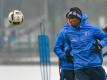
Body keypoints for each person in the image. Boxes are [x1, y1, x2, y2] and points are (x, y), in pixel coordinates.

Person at [54, 7, 107, 80]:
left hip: (94, 66)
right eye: (69, 19)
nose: (71, 21)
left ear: (79, 19)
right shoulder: (66, 32)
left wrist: (100, 45)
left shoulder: (92, 29)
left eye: (73, 20)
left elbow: (105, 37)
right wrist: (66, 53)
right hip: (79, 68)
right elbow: (65, 45)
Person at [54, 10, 76, 80]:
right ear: (67, 20)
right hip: (67, 67)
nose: (72, 20)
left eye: (74, 18)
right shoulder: (62, 32)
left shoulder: (81, 31)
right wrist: (65, 56)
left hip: (80, 67)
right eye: (70, 18)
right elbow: (56, 49)